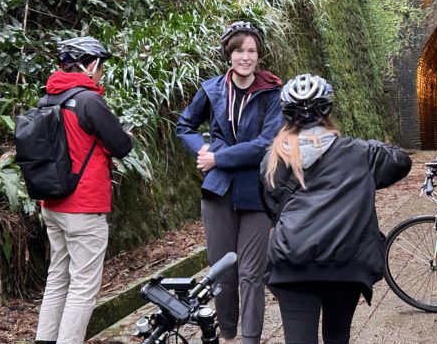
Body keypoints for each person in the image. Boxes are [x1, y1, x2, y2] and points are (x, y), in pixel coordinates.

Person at [260, 73, 412, 344]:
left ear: (286, 116)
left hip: (292, 264)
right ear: (328, 112)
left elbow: (274, 207)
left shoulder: (273, 160)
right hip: (346, 264)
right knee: (337, 337)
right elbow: (400, 161)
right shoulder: (361, 153)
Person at [175, 21, 283, 344]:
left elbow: (267, 143)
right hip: (218, 192)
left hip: (256, 193)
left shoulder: (272, 93)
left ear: (259, 55)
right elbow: (185, 126)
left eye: (251, 51)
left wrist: (219, 157)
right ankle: (228, 335)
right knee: (222, 272)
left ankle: (250, 338)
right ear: (229, 54)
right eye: (239, 50)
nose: (245, 57)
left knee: (251, 273)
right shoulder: (211, 90)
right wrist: (202, 148)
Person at [35, 36, 133, 344]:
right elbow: (121, 146)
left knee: (58, 278)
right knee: (82, 286)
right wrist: (124, 134)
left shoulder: (47, 99)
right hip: (84, 206)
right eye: (101, 67)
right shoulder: (89, 101)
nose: (101, 73)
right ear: (91, 66)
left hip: (52, 204)